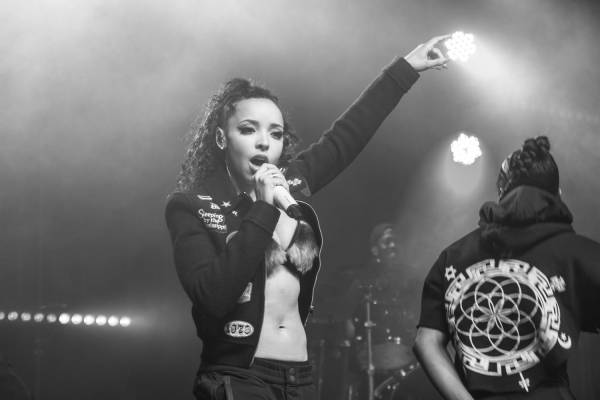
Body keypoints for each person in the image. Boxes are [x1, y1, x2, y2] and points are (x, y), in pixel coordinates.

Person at [165, 35, 450, 400]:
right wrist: (263, 208)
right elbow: (213, 296)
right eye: (248, 129)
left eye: (276, 133)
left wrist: (406, 69)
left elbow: (346, 137)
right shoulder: (193, 207)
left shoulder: (291, 186)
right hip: (238, 376)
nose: (264, 142)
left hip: (299, 378)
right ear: (222, 139)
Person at [414, 136, 600, 400]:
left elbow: (426, 342)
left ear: (501, 191)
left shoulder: (452, 257)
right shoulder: (576, 252)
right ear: (558, 195)